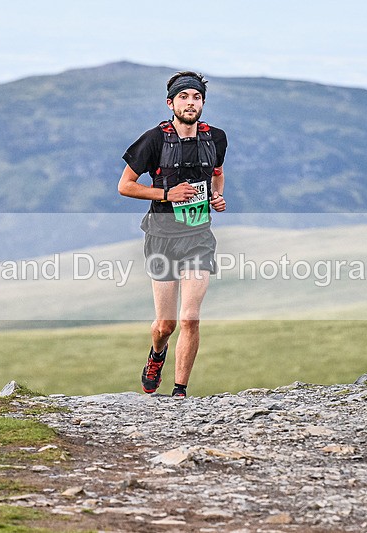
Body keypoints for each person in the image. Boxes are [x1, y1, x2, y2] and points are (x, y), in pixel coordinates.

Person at [117, 71, 228, 398]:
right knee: (166, 325)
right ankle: (157, 355)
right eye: (184, 97)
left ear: (203, 103)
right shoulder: (153, 139)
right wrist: (166, 195)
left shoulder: (216, 138)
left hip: (198, 236)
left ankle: (179, 392)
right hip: (162, 236)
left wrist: (216, 196)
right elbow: (125, 186)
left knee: (190, 318)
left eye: (196, 97)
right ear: (171, 103)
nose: (190, 103)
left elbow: (218, 173)